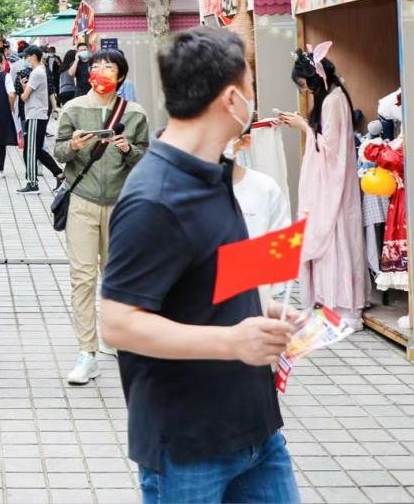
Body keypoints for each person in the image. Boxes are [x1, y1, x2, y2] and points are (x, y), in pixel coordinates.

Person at [101, 28, 301, 504]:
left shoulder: (217, 173)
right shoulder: (154, 198)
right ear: (232, 100)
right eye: (251, 87)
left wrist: (264, 309)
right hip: (188, 447)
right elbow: (117, 324)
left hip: (257, 430)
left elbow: (207, 277)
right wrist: (233, 341)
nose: (256, 99)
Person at [53, 49, 149, 385]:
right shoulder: (74, 108)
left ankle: (114, 335)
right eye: (95, 67)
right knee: (82, 277)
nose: (101, 73)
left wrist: (128, 149)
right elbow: (58, 151)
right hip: (82, 200)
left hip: (121, 204)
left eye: (109, 68)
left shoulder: (134, 113)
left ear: (120, 76)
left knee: (116, 276)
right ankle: (86, 352)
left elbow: (145, 158)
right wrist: (75, 146)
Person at [278, 45, 366, 326]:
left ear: (314, 79)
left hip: (334, 186)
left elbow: (330, 148)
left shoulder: (332, 101)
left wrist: (303, 126)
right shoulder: (333, 98)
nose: (304, 91)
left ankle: (341, 305)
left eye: (304, 85)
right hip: (331, 182)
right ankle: (331, 302)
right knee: (331, 239)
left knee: (333, 236)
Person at [229, 128, 294, 313]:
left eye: (225, 134)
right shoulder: (184, 190)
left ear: (244, 142)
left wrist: (270, 306)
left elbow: (280, 249)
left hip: (254, 308)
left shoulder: (264, 188)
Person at [17, 45, 63, 193]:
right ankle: (59, 174)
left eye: (28, 56)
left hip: (35, 115)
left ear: (34, 56)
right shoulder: (41, 70)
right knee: (36, 149)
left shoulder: (37, 73)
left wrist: (24, 86)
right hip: (38, 114)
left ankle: (32, 183)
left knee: (30, 150)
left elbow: (24, 97)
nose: (26, 59)